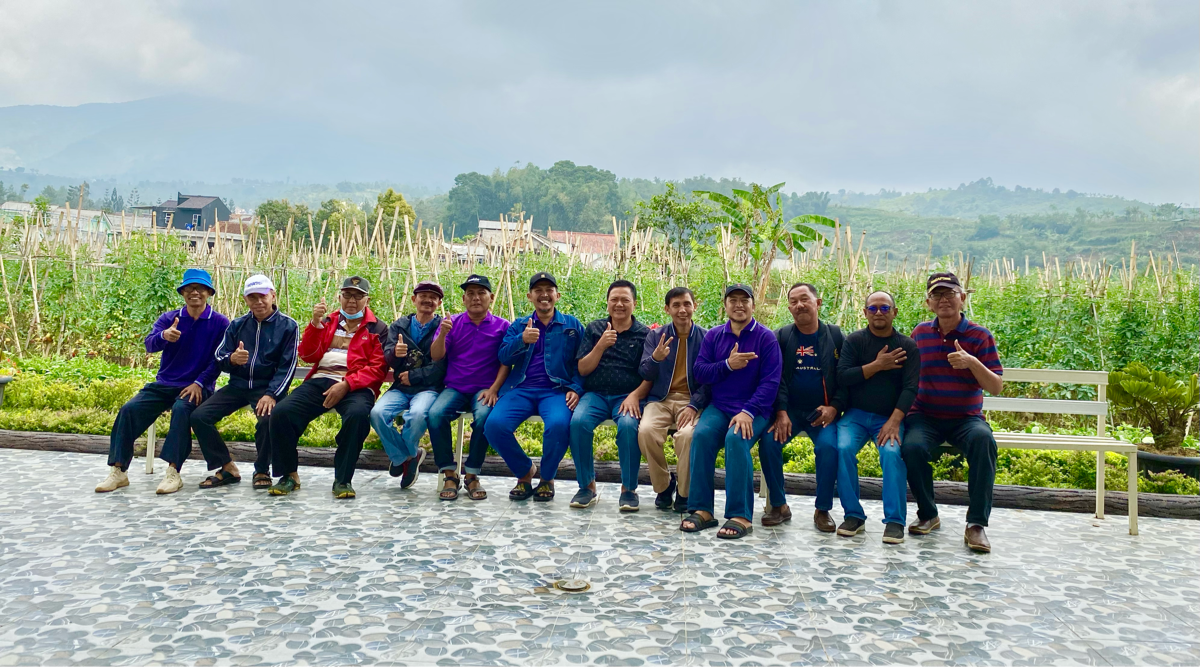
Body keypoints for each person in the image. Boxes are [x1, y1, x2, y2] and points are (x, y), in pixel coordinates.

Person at [95, 269, 229, 494]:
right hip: (165, 383)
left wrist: (199, 382)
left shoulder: (219, 322)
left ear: (208, 292)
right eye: (189, 288)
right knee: (129, 410)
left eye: (200, 288)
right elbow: (149, 344)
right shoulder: (169, 319)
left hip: (197, 386)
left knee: (181, 409)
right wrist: (163, 337)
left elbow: (219, 360)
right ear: (183, 292)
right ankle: (118, 471)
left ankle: (173, 472)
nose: (194, 292)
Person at [901, 272, 1003, 553]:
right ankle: (928, 513)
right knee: (911, 447)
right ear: (928, 303)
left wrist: (972, 362)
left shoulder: (980, 336)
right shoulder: (920, 333)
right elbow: (906, 375)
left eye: (950, 294)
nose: (944, 300)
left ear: (963, 298)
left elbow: (995, 386)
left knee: (984, 442)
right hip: (925, 415)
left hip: (966, 418)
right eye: (937, 295)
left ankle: (976, 525)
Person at [267, 276, 388, 498]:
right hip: (320, 379)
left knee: (358, 415)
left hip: (357, 385)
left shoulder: (377, 328)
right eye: (348, 295)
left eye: (358, 296)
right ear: (340, 297)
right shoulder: (328, 321)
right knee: (282, 412)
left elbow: (377, 368)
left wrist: (347, 384)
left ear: (367, 300)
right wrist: (314, 324)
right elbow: (307, 355)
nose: (352, 300)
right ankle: (288, 475)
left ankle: (343, 480)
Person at [682, 284, 782, 539]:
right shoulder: (714, 336)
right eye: (733, 300)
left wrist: (748, 411)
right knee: (701, 436)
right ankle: (702, 509)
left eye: (744, 300)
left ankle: (741, 515)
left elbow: (770, 383)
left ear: (753, 305)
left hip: (755, 409)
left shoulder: (765, 337)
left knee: (736, 439)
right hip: (720, 406)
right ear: (725, 306)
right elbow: (700, 372)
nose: (739, 305)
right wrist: (728, 364)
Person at [483, 272, 584, 503]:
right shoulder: (519, 325)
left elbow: (583, 361)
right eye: (538, 290)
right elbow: (504, 357)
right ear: (530, 296)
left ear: (557, 295)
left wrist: (576, 388)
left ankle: (547, 478)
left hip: (556, 390)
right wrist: (522, 339)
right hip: (521, 389)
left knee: (558, 425)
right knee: (494, 426)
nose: (544, 295)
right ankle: (525, 472)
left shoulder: (572, 325)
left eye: (549, 290)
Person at [192, 274, 298, 490]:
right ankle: (226, 466)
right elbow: (220, 356)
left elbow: (289, 366)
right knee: (199, 416)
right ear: (246, 300)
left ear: (273, 295)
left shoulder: (288, 326)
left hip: (267, 388)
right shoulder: (237, 325)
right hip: (238, 386)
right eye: (252, 297)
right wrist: (232, 359)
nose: (258, 302)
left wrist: (272, 394)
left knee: (267, 420)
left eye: (263, 296)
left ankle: (261, 469)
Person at [833, 291, 920, 544]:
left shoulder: (907, 346)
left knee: (892, 454)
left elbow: (910, 388)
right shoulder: (855, 341)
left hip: (889, 417)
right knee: (843, 449)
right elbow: (843, 377)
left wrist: (894, 421)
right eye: (872, 309)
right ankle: (853, 515)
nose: (878, 313)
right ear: (865, 313)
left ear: (894, 312)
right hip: (856, 416)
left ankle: (894, 521)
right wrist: (877, 365)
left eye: (884, 308)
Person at [759, 283, 845, 529]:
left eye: (805, 299)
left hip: (823, 412)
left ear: (817, 303)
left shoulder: (836, 336)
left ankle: (823, 510)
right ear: (789, 308)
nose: (800, 305)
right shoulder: (782, 337)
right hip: (791, 411)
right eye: (794, 301)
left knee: (829, 448)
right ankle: (779, 505)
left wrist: (835, 407)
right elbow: (775, 378)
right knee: (769, 442)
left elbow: (846, 378)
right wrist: (781, 411)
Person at [425, 274, 510, 501]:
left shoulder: (503, 327)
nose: (475, 298)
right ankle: (449, 473)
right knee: (434, 414)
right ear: (463, 299)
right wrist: (443, 333)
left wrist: (494, 389)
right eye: (470, 294)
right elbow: (436, 356)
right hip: (455, 387)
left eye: (481, 293)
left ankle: (472, 473)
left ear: (490, 297)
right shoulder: (453, 323)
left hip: (485, 389)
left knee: (484, 418)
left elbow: (506, 362)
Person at [571, 279, 652, 511]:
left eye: (625, 300)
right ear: (607, 304)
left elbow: (650, 375)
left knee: (628, 426)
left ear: (634, 304)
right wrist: (601, 346)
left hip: (626, 396)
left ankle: (628, 489)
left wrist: (636, 396)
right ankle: (587, 486)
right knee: (578, 423)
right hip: (595, 394)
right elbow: (583, 369)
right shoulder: (595, 329)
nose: (619, 304)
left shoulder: (644, 334)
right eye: (614, 299)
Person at [637, 286, 710, 513]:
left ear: (694, 306)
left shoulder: (707, 338)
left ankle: (684, 492)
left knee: (688, 435)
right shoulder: (656, 336)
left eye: (687, 304)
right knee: (646, 430)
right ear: (667, 309)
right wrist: (656, 359)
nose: (682, 310)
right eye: (676, 305)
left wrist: (695, 404)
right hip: (660, 399)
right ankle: (664, 486)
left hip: (692, 400)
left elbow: (712, 379)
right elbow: (644, 372)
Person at [369, 281, 446, 489]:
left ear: (439, 303)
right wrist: (395, 354)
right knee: (377, 413)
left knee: (418, 415)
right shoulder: (398, 326)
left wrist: (415, 376)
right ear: (414, 300)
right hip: (401, 388)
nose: (428, 300)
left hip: (428, 388)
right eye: (423, 296)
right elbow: (388, 358)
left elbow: (443, 366)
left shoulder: (444, 328)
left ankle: (403, 457)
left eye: (433, 297)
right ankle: (409, 455)